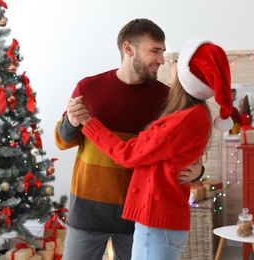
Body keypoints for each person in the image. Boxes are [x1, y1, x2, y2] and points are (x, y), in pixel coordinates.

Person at [54, 19, 205, 260]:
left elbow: (184, 151)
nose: (161, 59)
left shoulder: (167, 98)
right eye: (154, 51)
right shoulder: (89, 87)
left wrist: (198, 169)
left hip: (138, 216)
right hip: (87, 213)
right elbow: (62, 141)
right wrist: (71, 122)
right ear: (128, 49)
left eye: (163, 52)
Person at [79, 39, 233, 260]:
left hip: (157, 223)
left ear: (187, 76)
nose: (167, 62)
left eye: (177, 60)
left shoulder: (183, 119)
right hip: (160, 222)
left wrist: (89, 124)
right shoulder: (192, 114)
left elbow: (128, 154)